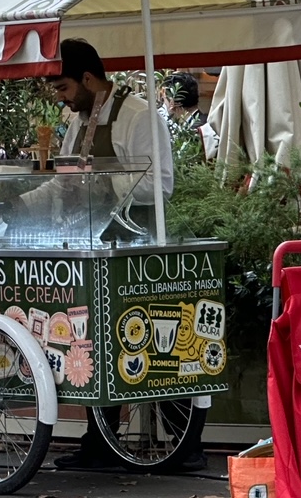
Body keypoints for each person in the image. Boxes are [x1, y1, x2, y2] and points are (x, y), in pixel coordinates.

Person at [19, 39, 176, 470]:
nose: (64, 101)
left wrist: (105, 184)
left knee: (130, 344)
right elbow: (66, 181)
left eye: (66, 89)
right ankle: (99, 440)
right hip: (88, 248)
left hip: (135, 251)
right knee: (87, 340)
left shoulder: (139, 117)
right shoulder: (79, 122)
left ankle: (149, 441)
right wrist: (24, 202)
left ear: (88, 79)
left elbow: (160, 186)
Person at [163, 71, 220, 161]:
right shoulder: (209, 122)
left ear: (172, 102)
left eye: (164, 100)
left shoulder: (192, 135)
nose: (164, 105)